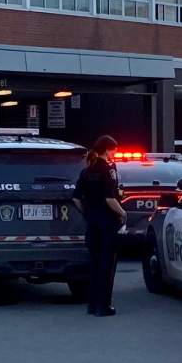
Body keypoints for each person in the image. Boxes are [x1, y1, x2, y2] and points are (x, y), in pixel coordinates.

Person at [73, 135, 125, 316]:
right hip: (107, 225)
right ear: (107, 150)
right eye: (113, 151)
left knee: (94, 265)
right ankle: (103, 306)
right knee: (107, 266)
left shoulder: (86, 171)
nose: (114, 155)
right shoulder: (108, 170)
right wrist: (122, 213)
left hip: (92, 224)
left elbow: (76, 199)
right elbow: (110, 198)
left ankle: (92, 304)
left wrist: (87, 214)